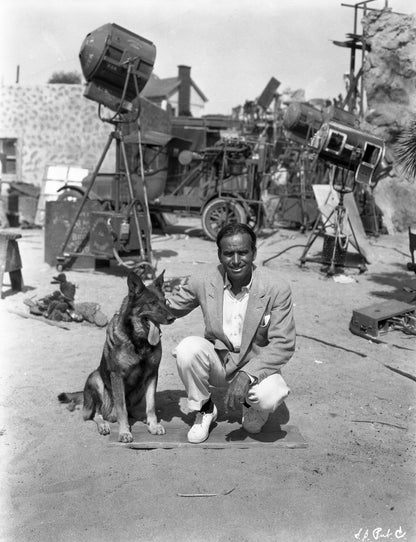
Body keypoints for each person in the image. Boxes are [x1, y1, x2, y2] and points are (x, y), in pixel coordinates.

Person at [167, 222, 295, 443]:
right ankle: (205, 409)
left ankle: (251, 407)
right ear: (219, 255)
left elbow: (283, 344)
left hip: (255, 363)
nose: (236, 261)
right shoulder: (203, 280)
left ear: (254, 253)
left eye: (243, 252)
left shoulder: (276, 288)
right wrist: (138, 311)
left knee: (270, 394)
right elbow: (169, 308)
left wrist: (247, 375)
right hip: (220, 361)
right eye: (228, 254)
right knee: (187, 349)